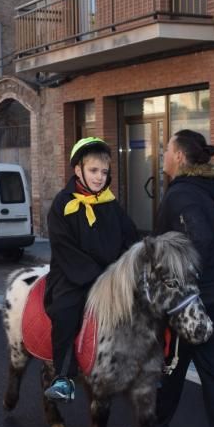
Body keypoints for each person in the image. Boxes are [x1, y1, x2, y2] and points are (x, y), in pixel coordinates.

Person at [124, 129, 214, 427]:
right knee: (210, 370)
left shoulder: (182, 195)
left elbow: (199, 240)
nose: (162, 158)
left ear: (178, 156)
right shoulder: (203, 191)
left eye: (165, 152)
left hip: (192, 303)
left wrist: (177, 279)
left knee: (172, 368)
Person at [43, 137, 138, 402]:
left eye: (104, 172)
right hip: (73, 276)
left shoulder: (110, 203)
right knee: (66, 312)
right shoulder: (63, 205)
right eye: (94, 171)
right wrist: (97, 277)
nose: (99, 177)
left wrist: (131, 264)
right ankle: (63, 377)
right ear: (78, 170)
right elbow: (64, 249)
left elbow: (129, 239)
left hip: (110, 276)